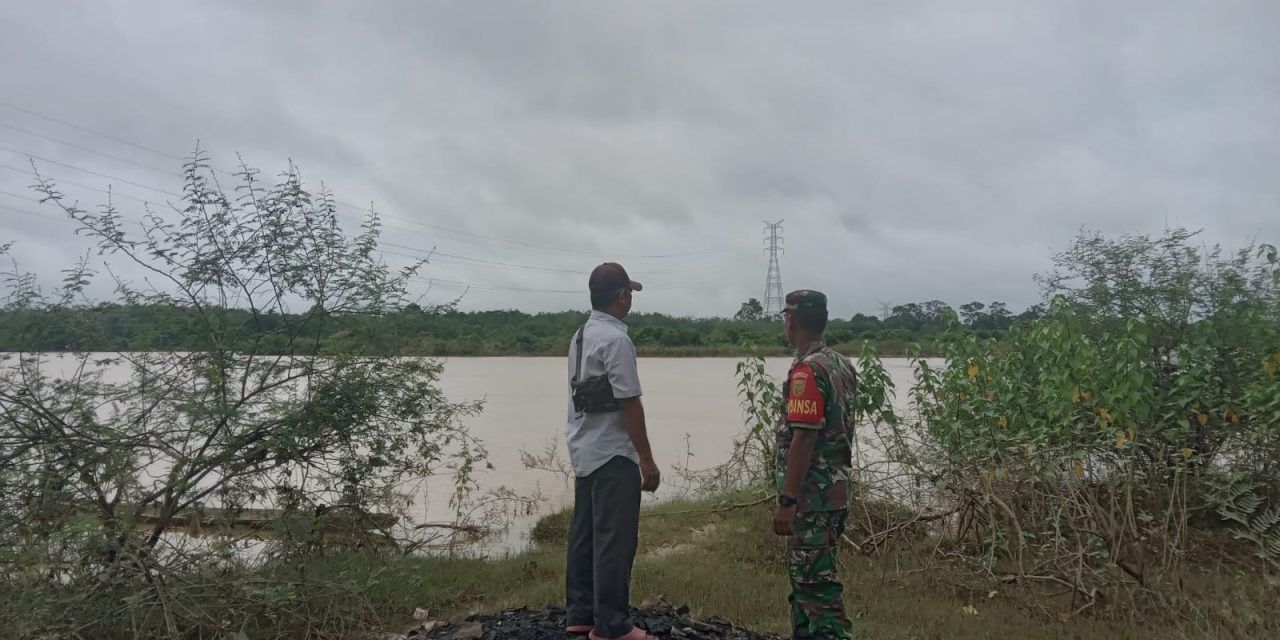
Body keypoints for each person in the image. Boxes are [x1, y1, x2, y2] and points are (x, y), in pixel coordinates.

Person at [564, 262, 661, 640]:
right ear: (623, 297)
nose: (631, 299)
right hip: (613, 454)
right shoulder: (617, 340)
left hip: (584, 449)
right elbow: (629, 403)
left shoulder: (581, 336)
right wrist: (647, 461)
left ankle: (581, 614)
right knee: (615, 540)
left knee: (585, 535)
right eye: (630, 293)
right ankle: (613, 626)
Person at [772, 289, 858, 640]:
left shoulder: (807, 371)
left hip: (812, 498)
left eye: (785, 317)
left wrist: (787, 501)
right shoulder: (840, 363)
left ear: (791, 320)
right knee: (806, 584)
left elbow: (804, 438)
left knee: (817, 590)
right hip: (834, 493)